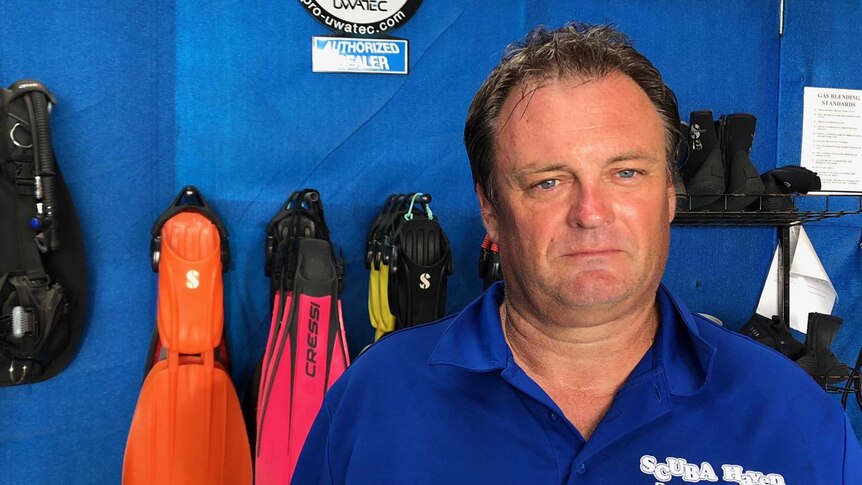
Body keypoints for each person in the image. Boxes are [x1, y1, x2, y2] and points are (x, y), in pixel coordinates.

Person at [293, 22, 862, 484]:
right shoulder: (373, 400)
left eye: (626, 172)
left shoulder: (794, 418)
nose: (591, 212)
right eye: (548, 181)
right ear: (490, 207)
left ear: (669, 194)